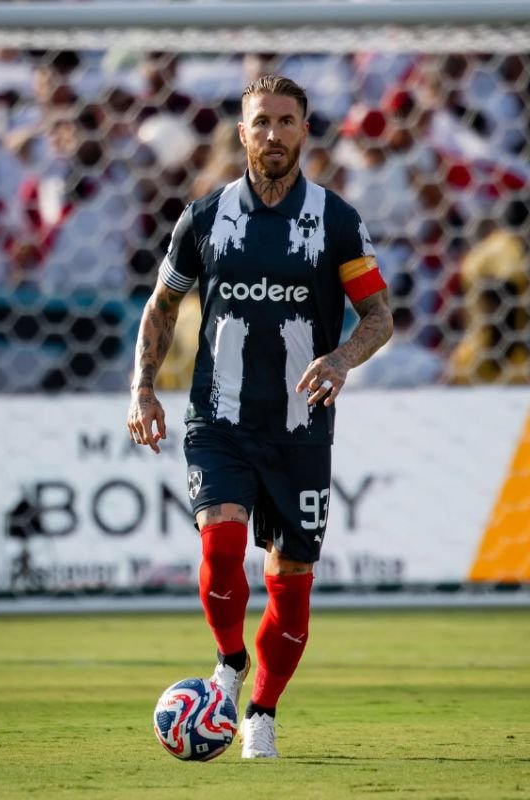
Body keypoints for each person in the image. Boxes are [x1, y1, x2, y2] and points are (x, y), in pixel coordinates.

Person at [126, 75, 393, 759]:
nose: (273, 134)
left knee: (291, 579)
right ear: (242, 132)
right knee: (219, 546)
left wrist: (341, 359)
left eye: (285, 121)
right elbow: (162, 305)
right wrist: (142, 388)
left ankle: (262, 711)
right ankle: (229, 660)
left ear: (304, 130)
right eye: (261, 122)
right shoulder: (205, 217)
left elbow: (378, 316)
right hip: (218, 417)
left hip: (301, 426)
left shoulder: (335, 221)